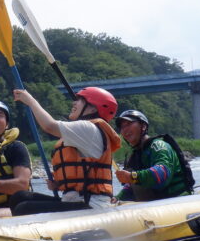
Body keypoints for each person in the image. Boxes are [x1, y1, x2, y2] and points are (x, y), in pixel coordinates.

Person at [9, 87, 121, 215]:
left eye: (80, 100)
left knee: (24, 208)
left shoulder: (89, 128)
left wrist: (31, 101)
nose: (74, 103)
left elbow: (49, 126)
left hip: (91, 204)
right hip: (74, 201)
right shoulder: (83, 131)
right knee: (20, 197)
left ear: (93, 108)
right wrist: (60, 184)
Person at [114, 109, 195, 201]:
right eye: (122, 127)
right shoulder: (132, 156)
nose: (125, 129)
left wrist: (133, 176)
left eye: (129, 124)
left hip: (177, 200)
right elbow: (131, 186)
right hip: (155, 205)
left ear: (143, 126)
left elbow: (162, 173)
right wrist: (118, 198)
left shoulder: (158, 145)